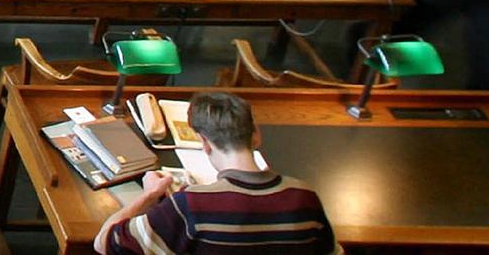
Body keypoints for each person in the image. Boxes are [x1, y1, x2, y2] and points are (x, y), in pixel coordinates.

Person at [96, 91, 338, 255]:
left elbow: (105, 243)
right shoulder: (305, 197)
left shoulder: (190, 205)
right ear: (256, 135)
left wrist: (149, 196)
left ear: (205, 143)